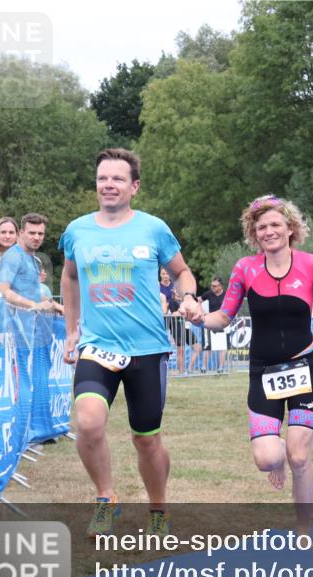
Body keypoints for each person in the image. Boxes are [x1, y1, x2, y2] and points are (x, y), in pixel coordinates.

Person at [185, 194, 313, 533]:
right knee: (267, 458)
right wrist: (198, 319)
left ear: (290, 228)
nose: (269, 231)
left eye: (275, 225)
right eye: (262, 227)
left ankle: (303, 528)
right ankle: (278, 455)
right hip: (263, 372)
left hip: (305, 370)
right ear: (254, 234)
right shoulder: (245, 268)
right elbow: (223, 317)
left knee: (300, 456)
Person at [59, 148, 197, 538]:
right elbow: (69, 278)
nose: (109, 185)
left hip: (146, 349)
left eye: (118, 179)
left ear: (134, 187)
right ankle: (106, 498)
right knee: (88, 423)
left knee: (146, 440)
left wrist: (186, 297)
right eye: (103, 178)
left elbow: (183, 272)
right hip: (97, 346)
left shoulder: (153, 228)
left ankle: (158, 508)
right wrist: (73, 330)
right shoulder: (77, 231)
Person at [0, 213, 58, 312]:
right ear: (21, 233)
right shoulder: (13, 256)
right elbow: (2, 290)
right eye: (32, 233)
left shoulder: (32, 258)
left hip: (29, 323)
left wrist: (58, 306)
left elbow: (32, 293)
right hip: (12, 324)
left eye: (40, 234)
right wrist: (34, 305)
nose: (37, 237)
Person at [199, 276, 226, 371]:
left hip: (223, 323)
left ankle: (221, 368)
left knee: (222, 346)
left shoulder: (226, 295)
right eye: (212, 286)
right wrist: (202, 312)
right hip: (210, 322)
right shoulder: (209, 294)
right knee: (208, 346)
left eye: (214, 286)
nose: (212, 288)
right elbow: (198, 301)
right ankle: (203, 367)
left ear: (220, 286)